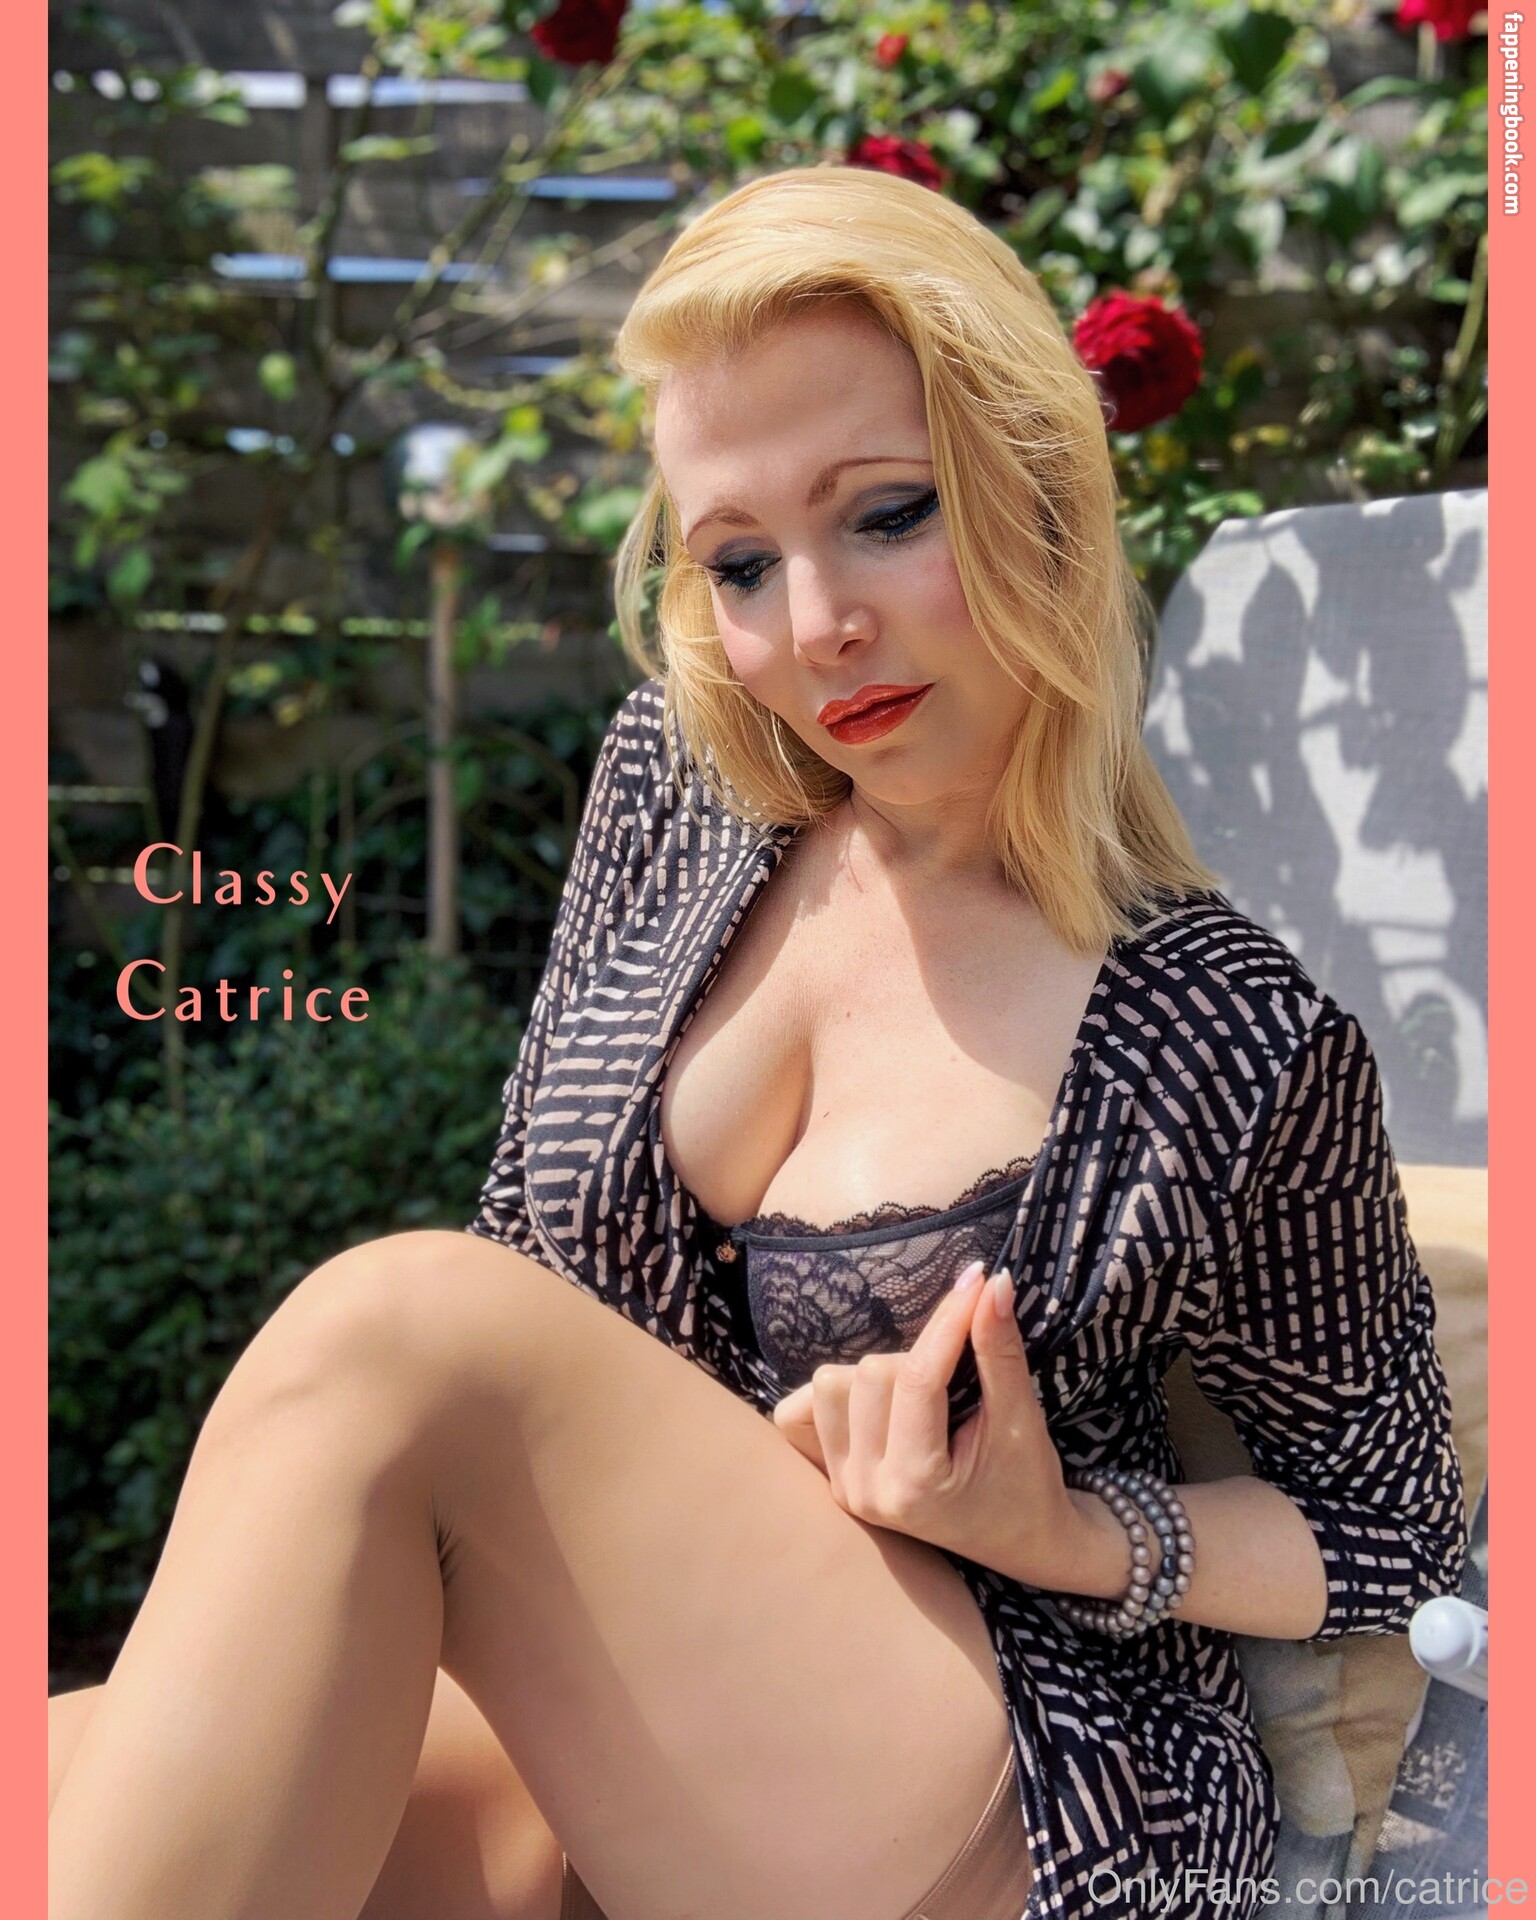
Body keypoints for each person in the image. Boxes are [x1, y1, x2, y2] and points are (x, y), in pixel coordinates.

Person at [47, 166, 1468, 1920]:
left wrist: (1069, 1528)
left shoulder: (1226, 1025)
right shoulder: (680, 793)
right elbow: (539, 1277)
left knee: (399, 1332)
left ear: (1037, 483)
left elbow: (1391, 1529)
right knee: (60, 1773)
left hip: (1023, 1762)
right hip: (645, 1690)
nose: (815, 628)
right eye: (739, 560)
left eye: (886, 514)